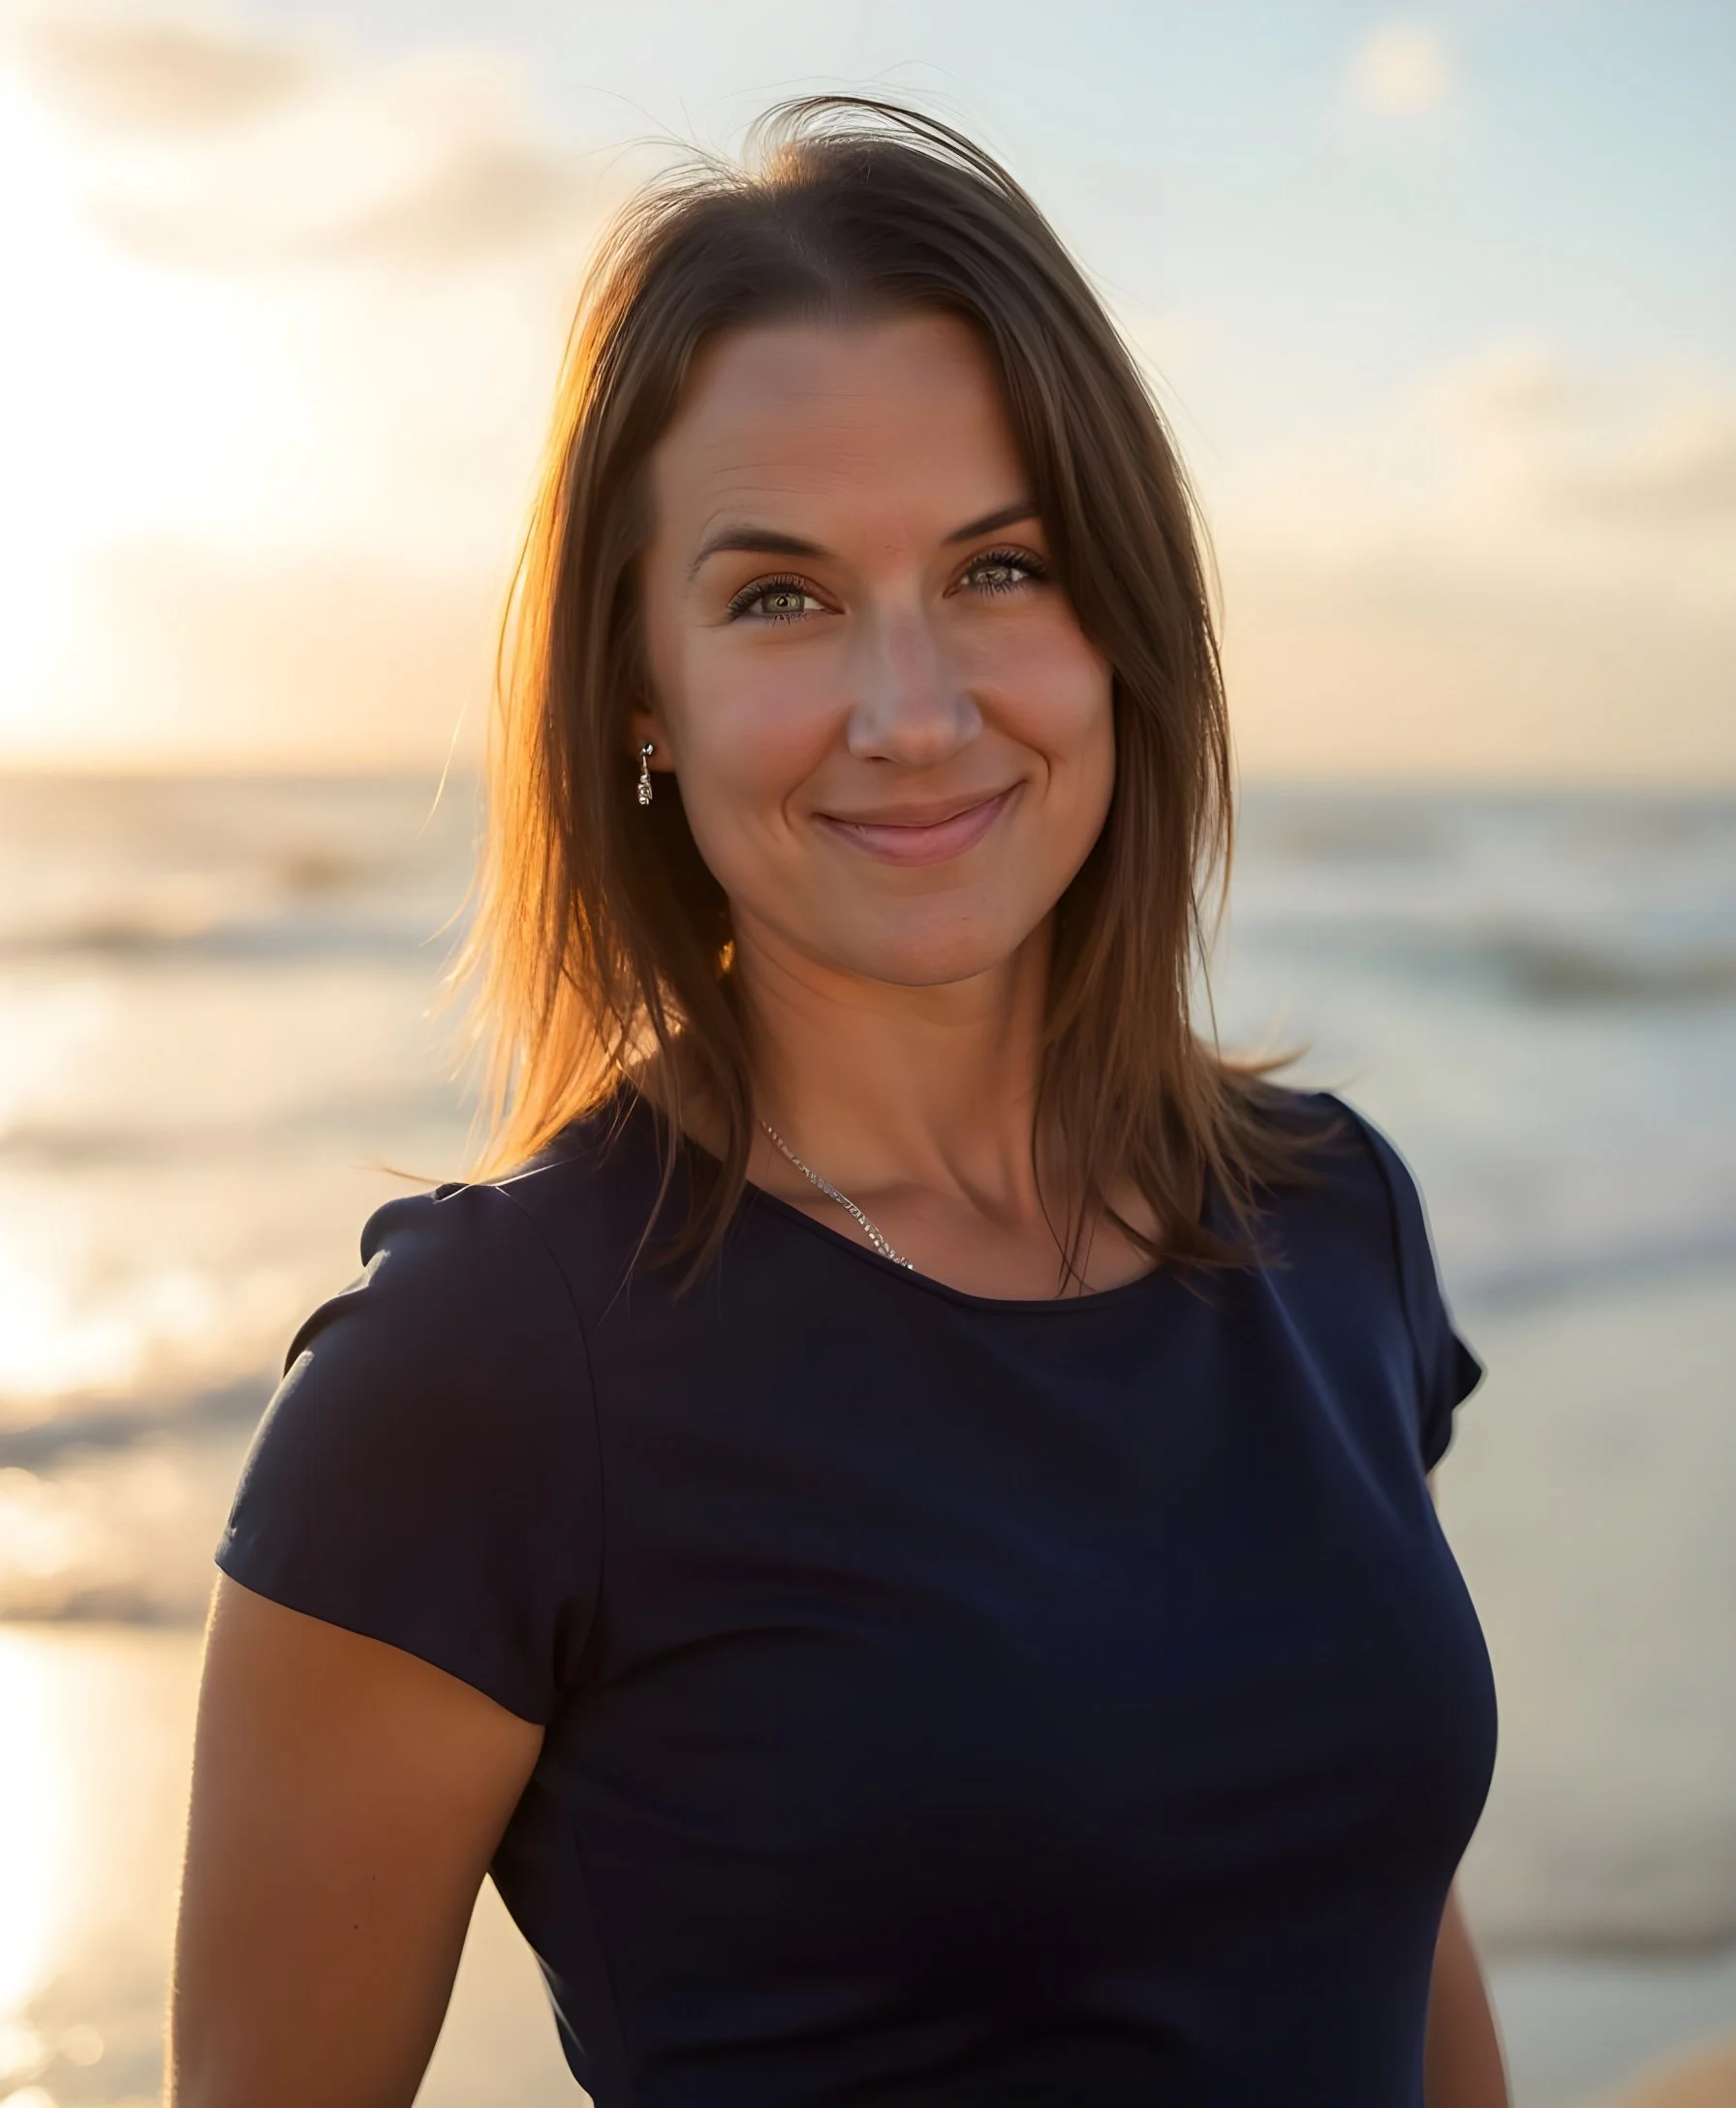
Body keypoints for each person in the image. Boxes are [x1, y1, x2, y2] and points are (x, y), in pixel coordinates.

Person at [170, 98, 1509, 2108]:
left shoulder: (1325, 1221)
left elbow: (1376, 1924)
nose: (908, 710)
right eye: (778, 597)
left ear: (1123, 619)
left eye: (998, 566)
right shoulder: (481, 1378)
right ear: (639, 686)